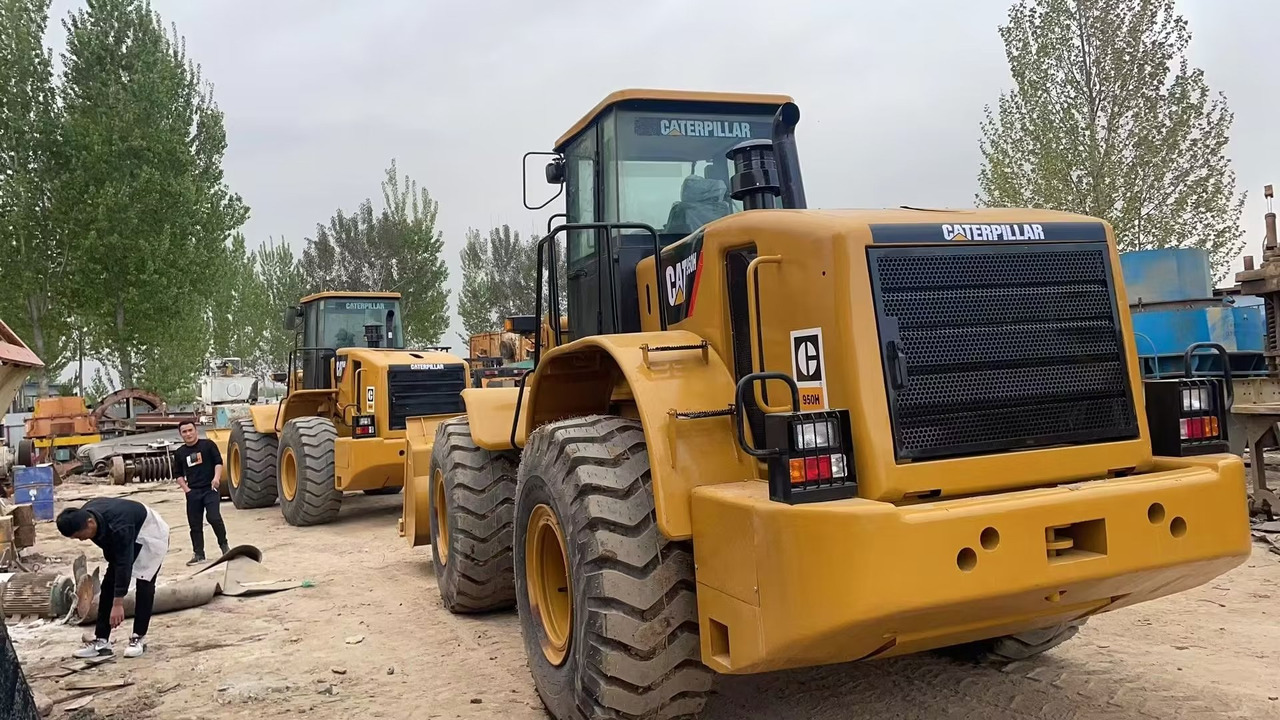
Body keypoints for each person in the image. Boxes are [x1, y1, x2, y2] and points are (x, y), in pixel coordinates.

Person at [56, 497, 170, 658]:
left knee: (144, 583)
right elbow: (113, 554)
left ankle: (138, 637)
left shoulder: (120, 527)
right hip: (127, 531)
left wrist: (118, 604)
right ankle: (102, 641)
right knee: (108, 585)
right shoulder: (89, 516)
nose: (81, 539)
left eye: (80, 535)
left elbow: (124, 564)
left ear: (90, 523)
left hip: (150, 533)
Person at [171, 420, 231, 565]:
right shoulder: (180, 452)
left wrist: (216, 479)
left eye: (190, 430)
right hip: (193, 492)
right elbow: (177, 474)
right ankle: (199, 554)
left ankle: (224, 547)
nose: (188, 434)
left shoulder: (208, 445)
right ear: (181, 434)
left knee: (214, 517)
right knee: (195, 524)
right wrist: (187, 490)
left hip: (210, 489)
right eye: (184, 432)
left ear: (196, 431)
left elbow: (218, 462)